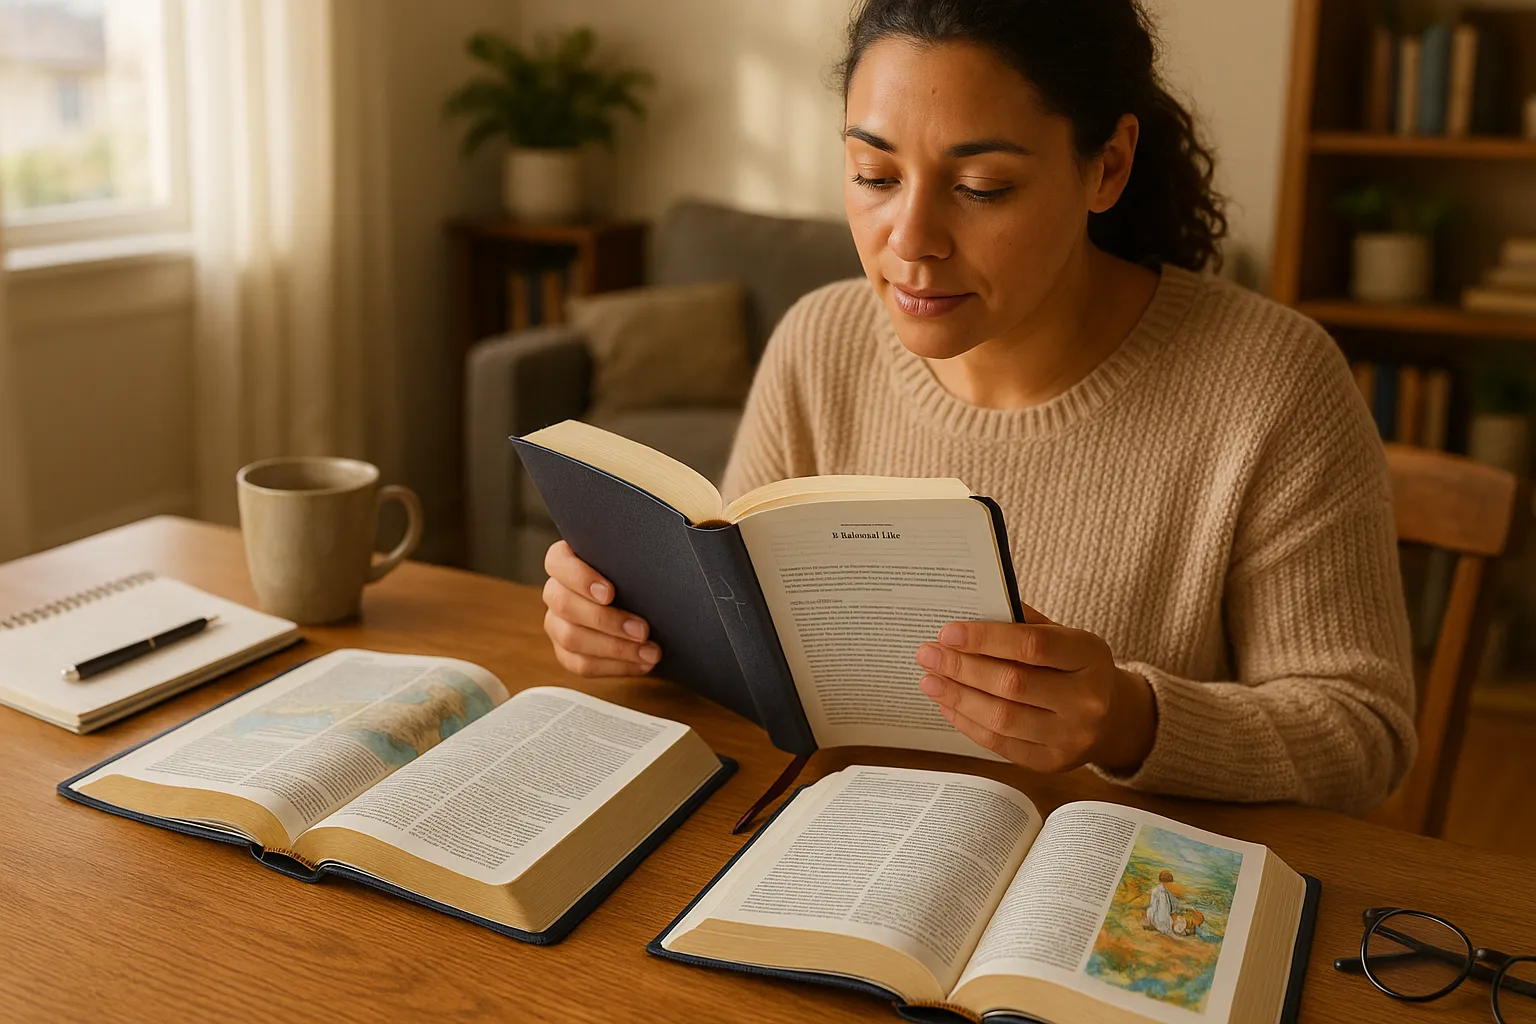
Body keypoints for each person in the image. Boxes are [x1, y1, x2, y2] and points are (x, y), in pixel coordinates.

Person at [539, 0, 1416, 814]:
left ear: (1106, 165)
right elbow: (758, 645)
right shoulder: (819, 343)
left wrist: (1126, 717)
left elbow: (1364, 734)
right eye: (873, 173)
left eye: (983, 187)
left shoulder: (1274, 382)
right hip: (845, 848)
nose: (911, 242)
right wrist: (634, 630)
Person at [1145, 870, 1177, 936]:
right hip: (1158, 916)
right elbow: (1153, 906)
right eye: (1169, 883)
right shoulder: (1156, 891)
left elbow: (1169, 904)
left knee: (1168, 922)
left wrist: (1173, 911)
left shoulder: (1166, 890)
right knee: (1164, 926)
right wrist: (1152, 919)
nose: (1170, 884)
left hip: (1164, 915)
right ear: (1163, 882)